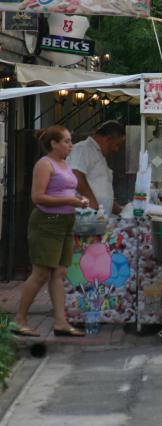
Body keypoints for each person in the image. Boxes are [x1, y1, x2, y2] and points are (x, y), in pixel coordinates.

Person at [12, 126, 90, 338]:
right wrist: (69, 200)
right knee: (41, 272)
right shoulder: (44, 164)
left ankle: (60, 321)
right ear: (53, 144)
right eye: (65, 141)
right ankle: (19, 319)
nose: (70, 145)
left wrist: (78, 199)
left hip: (66, 220)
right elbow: (38, 197)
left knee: (60, 272)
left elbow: (65, 189)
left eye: (70, 140)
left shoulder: (64, 164)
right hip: (47, 221)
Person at [67, 120, 125, 216]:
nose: (116, 149)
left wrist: (121, 211)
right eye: (117, 145)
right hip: (86, 216)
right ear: (107, 139)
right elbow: (75, 175)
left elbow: (100, 189)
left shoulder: (99, 154)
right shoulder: (83, 148)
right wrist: (92, 203)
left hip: (99, 218)